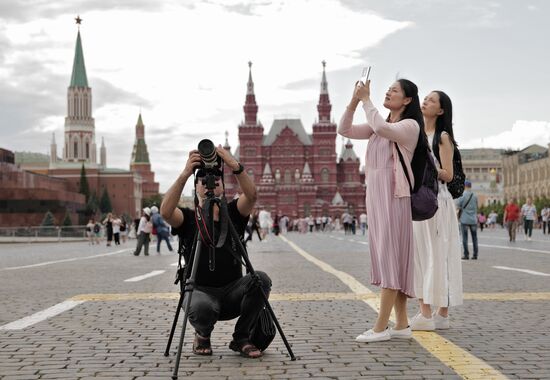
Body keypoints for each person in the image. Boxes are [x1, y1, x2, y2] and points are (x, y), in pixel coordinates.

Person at [160, 145, 271, 359]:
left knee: (261, 280)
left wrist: (234, 165)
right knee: (202, 306)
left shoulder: (234, 213)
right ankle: (202, 335)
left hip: (233, 294)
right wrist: (185, 174)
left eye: (216, 179)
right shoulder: (189, 218)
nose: (210, 182)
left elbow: (252, 195)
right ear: (197, 188)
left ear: (222, 185)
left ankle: (242, 337)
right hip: (200, 294)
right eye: (202, 181)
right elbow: (165, 211)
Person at [339, 78, 422, 342]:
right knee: (390, 258)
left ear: (407, 100)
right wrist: (354, 99)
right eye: (388, 89)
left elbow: (382, 126)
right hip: (375, 198)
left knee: (390, 258)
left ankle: (380, 328)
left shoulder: (408, 126)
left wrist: (366, 99)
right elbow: (345, 129)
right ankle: (402, 324)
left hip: (393, 196)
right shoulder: (377, 127)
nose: (388, 92)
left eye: (394, 90)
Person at [410, 90, 463, 331]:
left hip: (436, 200)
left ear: (440, 110)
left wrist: (426, 165)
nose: (425, 101)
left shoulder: (441, 137)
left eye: (431, 100)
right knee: (423, 255)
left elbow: (449, 175)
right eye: (426, 98)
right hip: (423, 198)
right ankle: (437, 313)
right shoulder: (418, 133)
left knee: (435, 255)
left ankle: (432, 313)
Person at [457, 181, 478, 259]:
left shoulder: (462, 195)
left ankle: (466, 254)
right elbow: (476, 207)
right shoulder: (475, 195)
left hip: (465, 219)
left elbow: (458, 205)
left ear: (465, 186)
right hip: (473, 219)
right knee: (474, 238)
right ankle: (475, 254)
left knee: (465, 238)